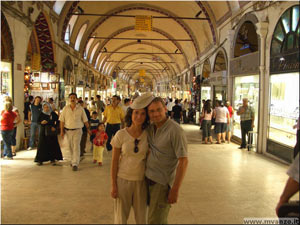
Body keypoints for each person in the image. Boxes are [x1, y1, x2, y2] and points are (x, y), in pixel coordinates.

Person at [146, 96, 188, 224]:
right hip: (148, 180)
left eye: (159, 110)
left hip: (162, 184)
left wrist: (175, 189)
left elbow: (183, 161)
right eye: (151, 111)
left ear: (165, 109)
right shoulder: (151, 128)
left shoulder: (175, 130)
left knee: (156, 221)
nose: (156, 114)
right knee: (152, 218)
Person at [110, 93, 152, 224]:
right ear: (131, 115)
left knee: (141, 218)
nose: (139, 117)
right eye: (136, 113)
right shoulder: (120, 134)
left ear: (146, 117)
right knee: (121, 218)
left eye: (142, 114)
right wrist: (113, 185)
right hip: (123, 180)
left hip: (141, 182)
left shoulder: (148, 135)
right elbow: (114, 162)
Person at [59, 93, 91, 171]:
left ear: (76, 99)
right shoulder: (65, 109)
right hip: (68, 130)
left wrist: (88, 129)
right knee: (70, 147)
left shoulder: (80, 109)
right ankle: (73, 159)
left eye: (74, 98)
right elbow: (62, 121)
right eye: (71, 98)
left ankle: (75, 163)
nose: (72, 99)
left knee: (76, 146)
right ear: (69, 99)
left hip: (78, 130)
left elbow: (85, 120)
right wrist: (61, 131)